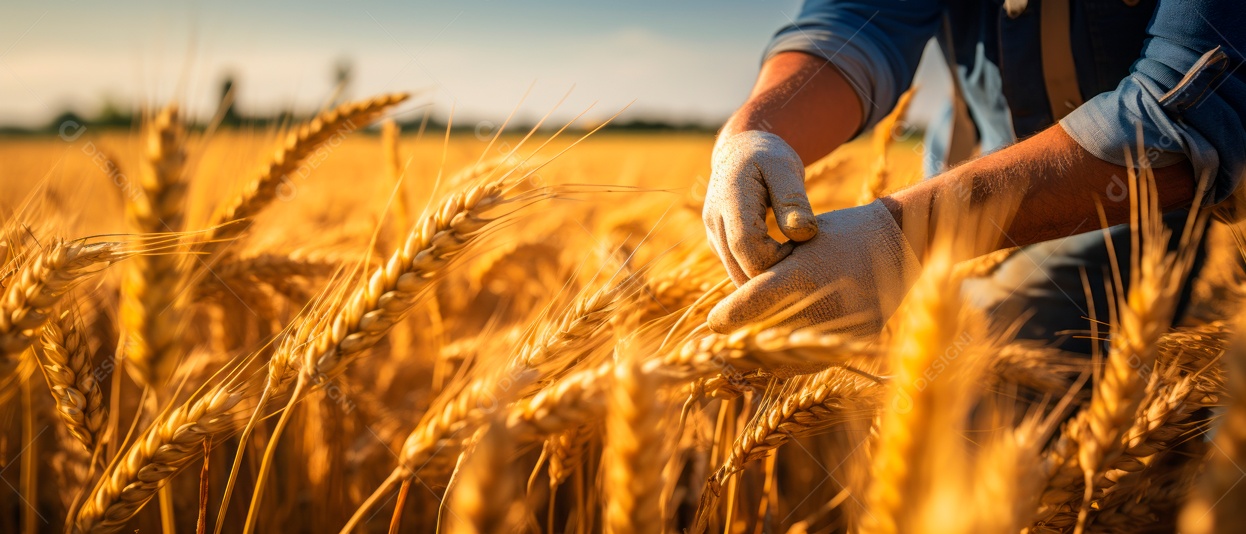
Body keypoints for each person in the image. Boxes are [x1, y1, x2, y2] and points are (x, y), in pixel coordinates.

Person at [703, 0, 1246, 352]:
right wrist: (758, 134)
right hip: (950, 181)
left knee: (979, 415)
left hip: (1117, 207)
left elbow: (1193, 106)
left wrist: (902, 236)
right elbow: (856, 23)